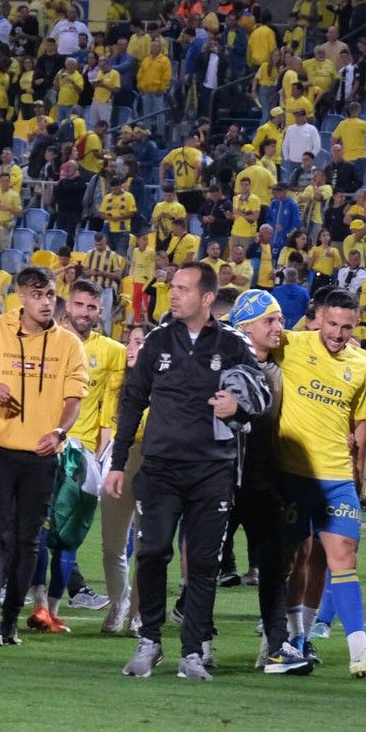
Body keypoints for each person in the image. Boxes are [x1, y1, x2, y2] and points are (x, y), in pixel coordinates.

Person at [108, 262, 265, 681]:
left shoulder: (233, 343)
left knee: (202, 562)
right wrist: (118, 462)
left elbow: (260, 395)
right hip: (159, 468)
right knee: (153, 550)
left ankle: (193, 651)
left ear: (207, 298)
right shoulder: (157, 341)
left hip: (212, 470)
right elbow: (132, 402)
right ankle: (151, 641)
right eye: (172, 287)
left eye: (182, 288)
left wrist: (239, 406)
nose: (173, 294)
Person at [270, 287, 366, 678]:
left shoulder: (365, 364)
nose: (338, 334)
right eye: (332, 324)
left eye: (346, 327)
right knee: (295, 559)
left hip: (338, 476)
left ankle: (358, 648)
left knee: (342, 555)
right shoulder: (291, 344)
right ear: (317, 320)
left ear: (356, 325)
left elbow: (364, 420)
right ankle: (292, 639)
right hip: (294, 474)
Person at [0, 265, 87, 647]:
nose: (46, 302)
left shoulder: (68, 344)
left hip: (42, 452)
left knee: (28, 540)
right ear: (20, 296)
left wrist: (60, 432)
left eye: (50, 294)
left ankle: (11, 618)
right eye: (37, 295)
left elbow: (73, 399)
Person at [229, 290, 314, 674]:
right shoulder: (225, 366)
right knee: (204, 563)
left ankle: (277, 646)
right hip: (224, 478)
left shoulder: (285, 366)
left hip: (267, 478)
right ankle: (199, 641)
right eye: (270, 321)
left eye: (280, 320)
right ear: (244, 327)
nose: (279, 328)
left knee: (276, 564)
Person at [32, 279, 122, 633]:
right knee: (37, 530)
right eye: (79, 305)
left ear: (100, 311)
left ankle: (52, 609)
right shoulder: (47, 341)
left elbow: (108, 410)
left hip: (83, 453)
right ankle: (39, 603)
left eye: (91, 307)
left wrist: (100, 458)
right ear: (67, 305)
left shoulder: (112, 352)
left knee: (69, 537)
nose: (84, 313)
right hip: (44, 445)